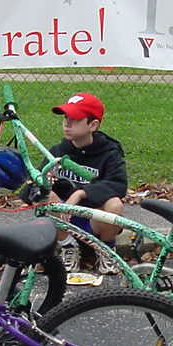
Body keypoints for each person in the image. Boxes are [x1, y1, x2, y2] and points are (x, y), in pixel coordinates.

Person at [47, 92, 127, 275]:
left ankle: (106, 250)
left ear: (93, 125)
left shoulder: (109, 152)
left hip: (95, 221)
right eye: (66, 118)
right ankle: (68, 247)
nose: (67, 124)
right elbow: (31, 188)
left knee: (115, 204)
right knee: (44, 195)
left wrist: (81, 193)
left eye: (75, 119)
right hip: (64, 222)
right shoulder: (57, 152)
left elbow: (118, 184)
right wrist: (44, 183)